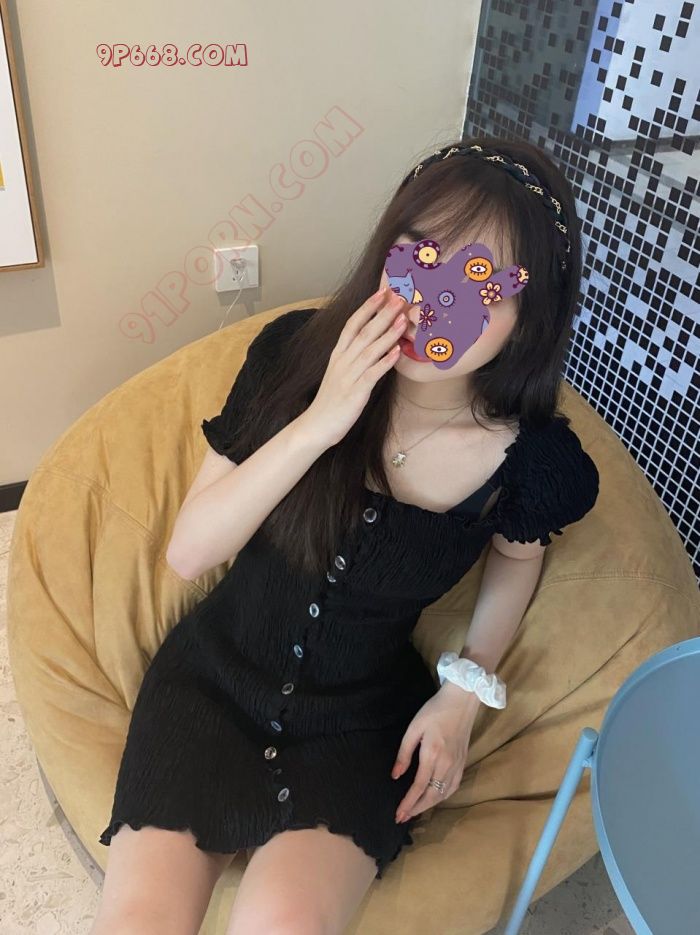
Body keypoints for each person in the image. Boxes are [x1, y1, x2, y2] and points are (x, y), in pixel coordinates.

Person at [91, 135, 599, 935]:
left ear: (529, 315)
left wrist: (465, 692)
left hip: (360, 727)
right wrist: (319, 424)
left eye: (479, 281)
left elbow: (516, 559)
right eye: (420, 255)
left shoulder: (531, 461)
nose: (433, 300)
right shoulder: (292, 357)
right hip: (211, 683)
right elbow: (191, 551)